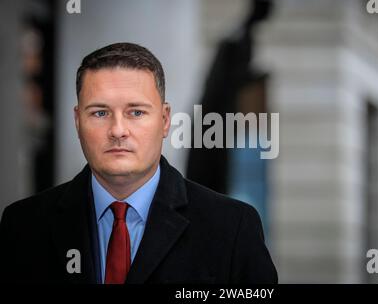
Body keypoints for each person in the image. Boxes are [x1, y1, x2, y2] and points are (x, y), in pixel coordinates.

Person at [0, 42, 277, 284]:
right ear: (77, 121)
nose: (118, 130)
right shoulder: (23, 226)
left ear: (165, 120)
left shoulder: (232, 227)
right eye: (99, 112)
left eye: (135, 112)